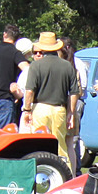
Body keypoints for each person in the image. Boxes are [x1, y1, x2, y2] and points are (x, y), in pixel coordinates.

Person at [21, 32, 80, 166]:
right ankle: (66, 177)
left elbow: (30, 91)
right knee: (61, 146)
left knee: (39, 145)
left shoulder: (36, 66)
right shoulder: (67, 66)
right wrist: (71, 112)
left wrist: (27, 110)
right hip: (59, 109)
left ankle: (41, 173)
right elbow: (74, 92)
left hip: (40, 109)